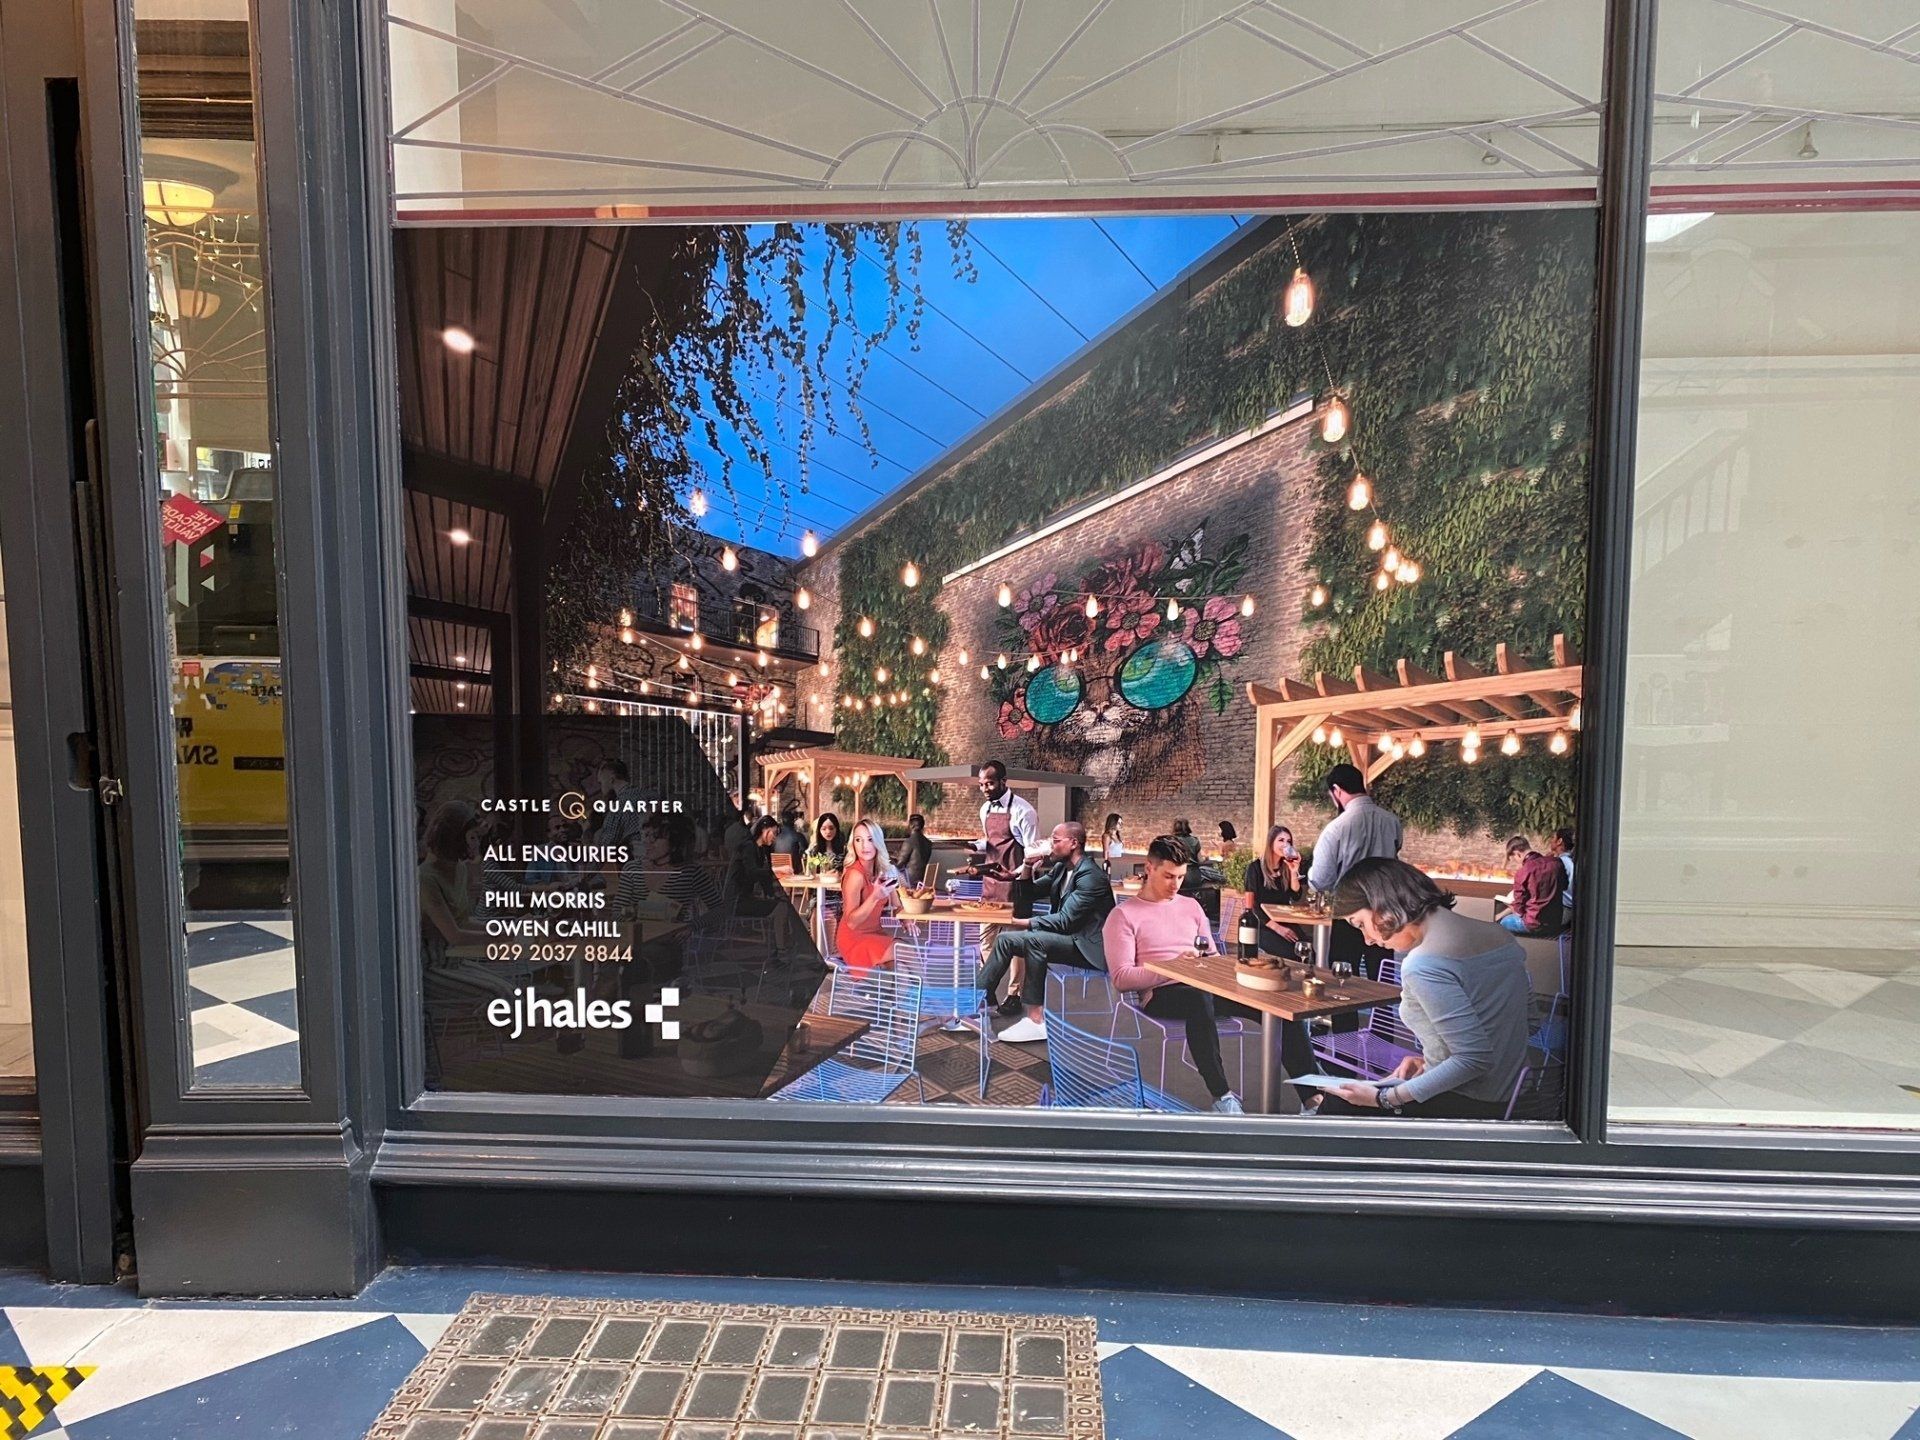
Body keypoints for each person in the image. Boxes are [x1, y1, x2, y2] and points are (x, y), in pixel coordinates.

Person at [1317, 859, 1531, 1119]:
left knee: (1336, 1105)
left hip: (1470, 1105)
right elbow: (1530, 1022)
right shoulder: (1502, 937)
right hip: (1517, 1098)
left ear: (1383, 904)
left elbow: (1473, 1059)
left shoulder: (1424, 964)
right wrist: (1432, 1062)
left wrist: (1384, 1098)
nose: (1367, 940)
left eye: (1361, 923)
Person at [1102, 835, 1246, 1115]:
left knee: (1273, 1005)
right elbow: (1121, 978)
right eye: (1169, 876)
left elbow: (1212, 957)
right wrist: (1174, 967)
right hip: (1160, 994)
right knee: (1198, 997)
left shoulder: (1190, 906)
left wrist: (1214, 968)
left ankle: (1312, 1099)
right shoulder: (1123, 915)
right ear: (1149, 868)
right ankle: (1222, 1097)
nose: (1175, 885)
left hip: (1200, 984)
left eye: (1180, 877)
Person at [978, 822, 1115, 1042]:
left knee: (1036, 941)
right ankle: (980, 1003)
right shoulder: (1062, 869)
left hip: (1089, 946)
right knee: (1005, 939)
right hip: (1067, 938)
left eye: (1055, 840)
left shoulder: (1091, 877)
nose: (1050, 845)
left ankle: (1036, 1019)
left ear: (1073, 843)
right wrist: (1027, 867)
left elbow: (1065, 922)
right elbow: (1029, 894)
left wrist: (1021, 922)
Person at [1306, 763, 1403, 982]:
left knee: (1344, 981)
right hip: (1384, 908)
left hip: (1348, 911)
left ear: (1337, 790)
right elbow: (1395, 856)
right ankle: (1381, 1017)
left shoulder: (1336, 828)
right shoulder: (1392, 822)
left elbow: (1320, 880)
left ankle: (1346, 1017)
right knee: (1382, 976)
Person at [966, 759, 1044, 902]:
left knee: (1011, 924)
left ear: (1003, 781)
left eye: (989, 784)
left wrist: (1014, 875)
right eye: (981, 785)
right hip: (989, 885)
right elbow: (992, 841)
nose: (984, 789)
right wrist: (974, 846)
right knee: (985, 925)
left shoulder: (1024, 811)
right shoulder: (985, 809)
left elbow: (1036, 856)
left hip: (1016, 886)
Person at [836, 818, 899, 974]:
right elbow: (851, 922)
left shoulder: (883, 870)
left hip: (876, 934)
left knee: (900, 968)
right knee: (906, 952)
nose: (864, 846)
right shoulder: (855, 875)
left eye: (870, 840)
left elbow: (897, 904)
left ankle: (901, 998)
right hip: (854, 938)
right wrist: (874, 897)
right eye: (859, 840)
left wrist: (906, 920)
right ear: (853, 844)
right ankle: (926, 995)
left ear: (877, 842)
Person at [594, 757, 652, 916]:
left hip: (641, 874)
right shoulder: (651, 795)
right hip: (670, 871)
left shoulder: (619, 807)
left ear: (611, 778)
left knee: (624, 917)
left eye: (601, 783)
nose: (601, 788)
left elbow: (604, 849)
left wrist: (583, 877)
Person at [1500, 835, 1567, 935]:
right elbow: (1565, 885)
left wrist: (1512, 907)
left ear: (1517, 854)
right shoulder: (1557, 863)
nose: (1517, 862)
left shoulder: (1524, 871)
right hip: (1555, 921)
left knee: (1503, 922)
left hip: (1534, 924)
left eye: (1515, 859)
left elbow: (1519, 908)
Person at [895, 813, 934, 886]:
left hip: (908, 881)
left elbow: (899, 865)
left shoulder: (909, 842)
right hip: (922, 880)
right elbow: (916, 859)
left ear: (911, 826)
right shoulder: (928, 843)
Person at [1549, 826, 1575, 913]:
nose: (1551, 840)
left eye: (1553, 837)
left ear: (1559, 841)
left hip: (1563, 909)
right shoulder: (1569, 861)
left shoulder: (1561, 863)